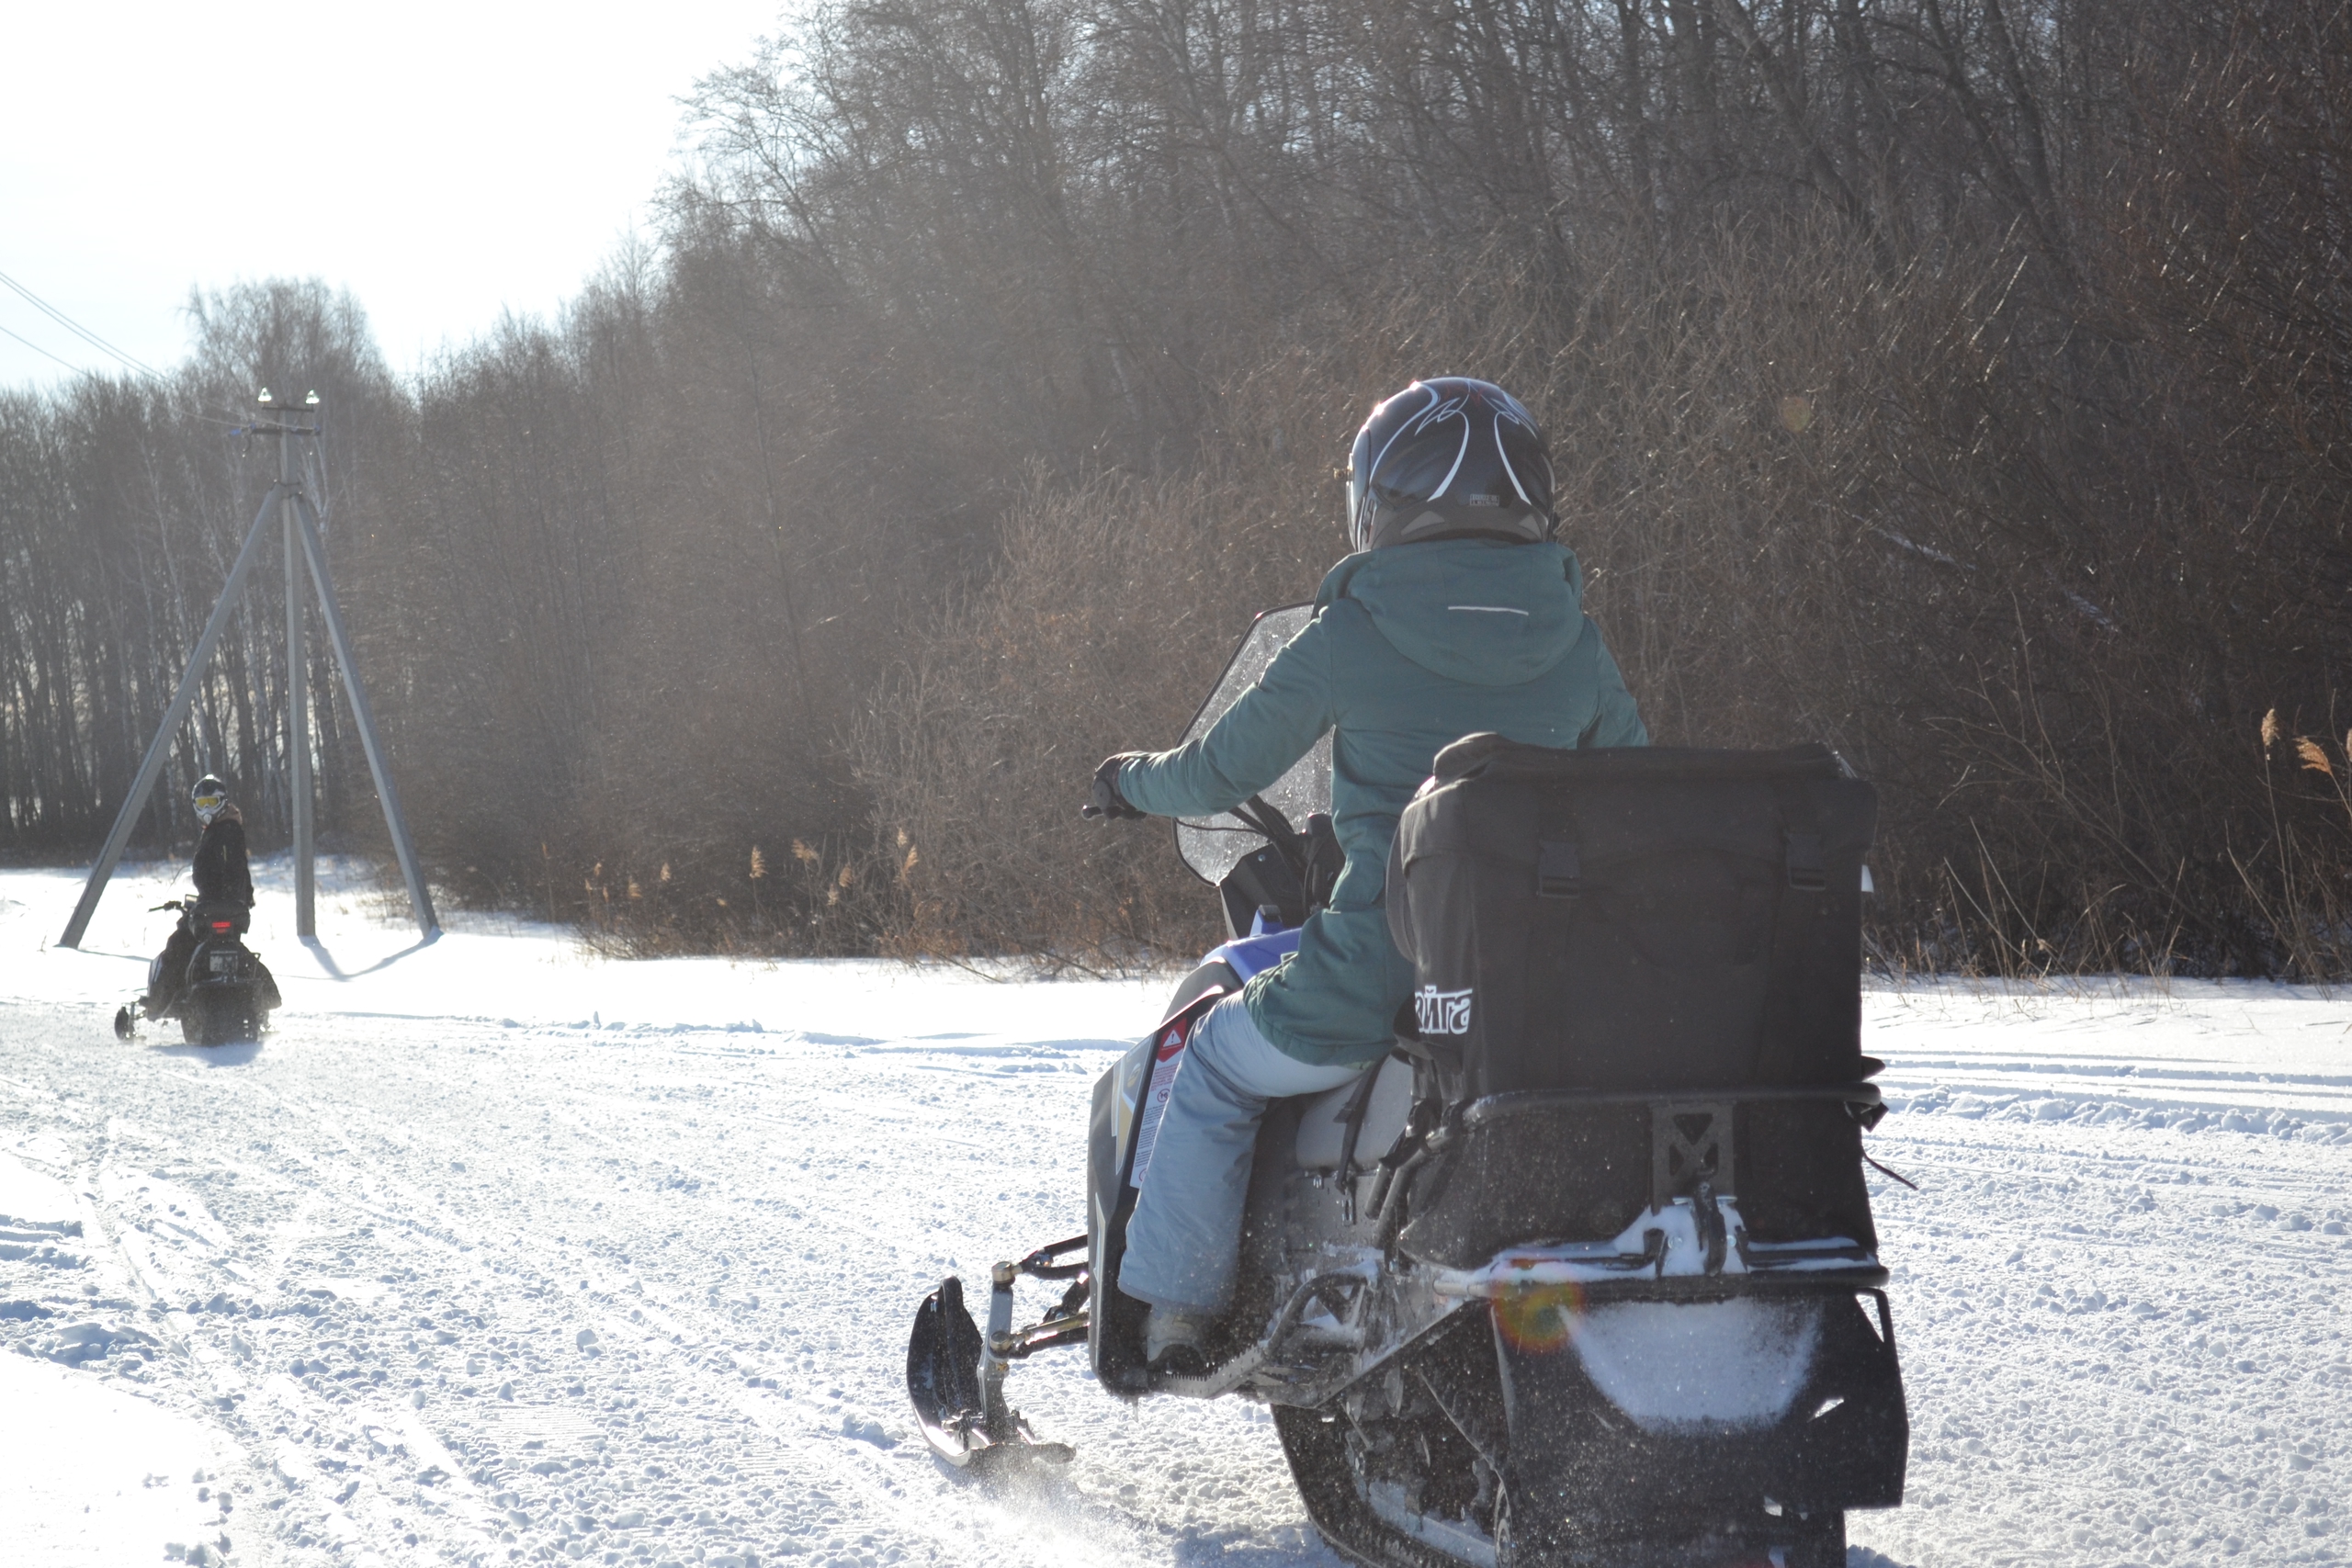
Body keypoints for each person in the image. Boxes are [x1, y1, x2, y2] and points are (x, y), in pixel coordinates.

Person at [1089, 377, 1648, 1372]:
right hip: (1540, 992)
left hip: (1380, 979)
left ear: (1382, 499)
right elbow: (1639, 795)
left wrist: (1130, 782)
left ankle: (1171, 1318)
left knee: (1211, 1062)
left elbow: (1219, 771)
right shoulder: (1576, 638)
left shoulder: (1349, 628)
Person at [142, 773, 256, 1018]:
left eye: (211, 803)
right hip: (232, 907)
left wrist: (219, 895)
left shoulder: (223, 832)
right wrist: (244, 897)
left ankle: (161, 1001)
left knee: (177, 945)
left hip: (215, 905)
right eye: (202, 804)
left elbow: (230, 870)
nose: (207, 810)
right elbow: (240, 871)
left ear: (223, 803)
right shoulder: (229, 829)